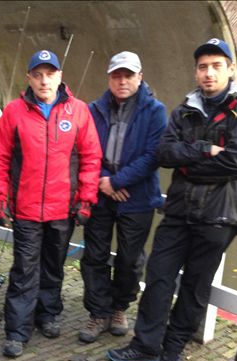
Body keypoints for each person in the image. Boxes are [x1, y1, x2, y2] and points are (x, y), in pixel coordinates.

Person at [108, 38, 237, 361]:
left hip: (221, 213)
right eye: (203, 67)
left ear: (230, 70)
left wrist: (188, 164)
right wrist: (204, 150)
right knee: (158, 275)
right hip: (179, 210)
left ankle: (173, 350)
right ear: (196, 72)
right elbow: (165, 153)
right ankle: (146, 345)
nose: (209, 73)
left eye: (216, 66)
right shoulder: (184, 111)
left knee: (195, 284)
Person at [0, 49, 102, 358]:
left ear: (59, 77)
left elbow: (91, 158)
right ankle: (17, 330)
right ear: (29, 78)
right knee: (24, 270)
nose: (44, 81)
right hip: (26, 210)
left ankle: (47, 314)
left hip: (62, 209)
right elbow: (0, 158)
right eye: (38, 75)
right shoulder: (14, 112)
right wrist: (0, 197)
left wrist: (86, 199)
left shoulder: (78, 111)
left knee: (53, 267)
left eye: (50, 75)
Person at [79, 52, 167, 343]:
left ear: (140, 77)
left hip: (137, 196)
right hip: (100, 193)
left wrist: (117, 181)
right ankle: (98, 311)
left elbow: (153, 155)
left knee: (130, 259)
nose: (122, 81)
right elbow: (86, 148)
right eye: (117, 76)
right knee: (95, 255)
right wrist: (105, 180)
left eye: (128, 75)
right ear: (109, 78)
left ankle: (119, 307)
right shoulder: (94, 110)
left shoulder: (155, 111)